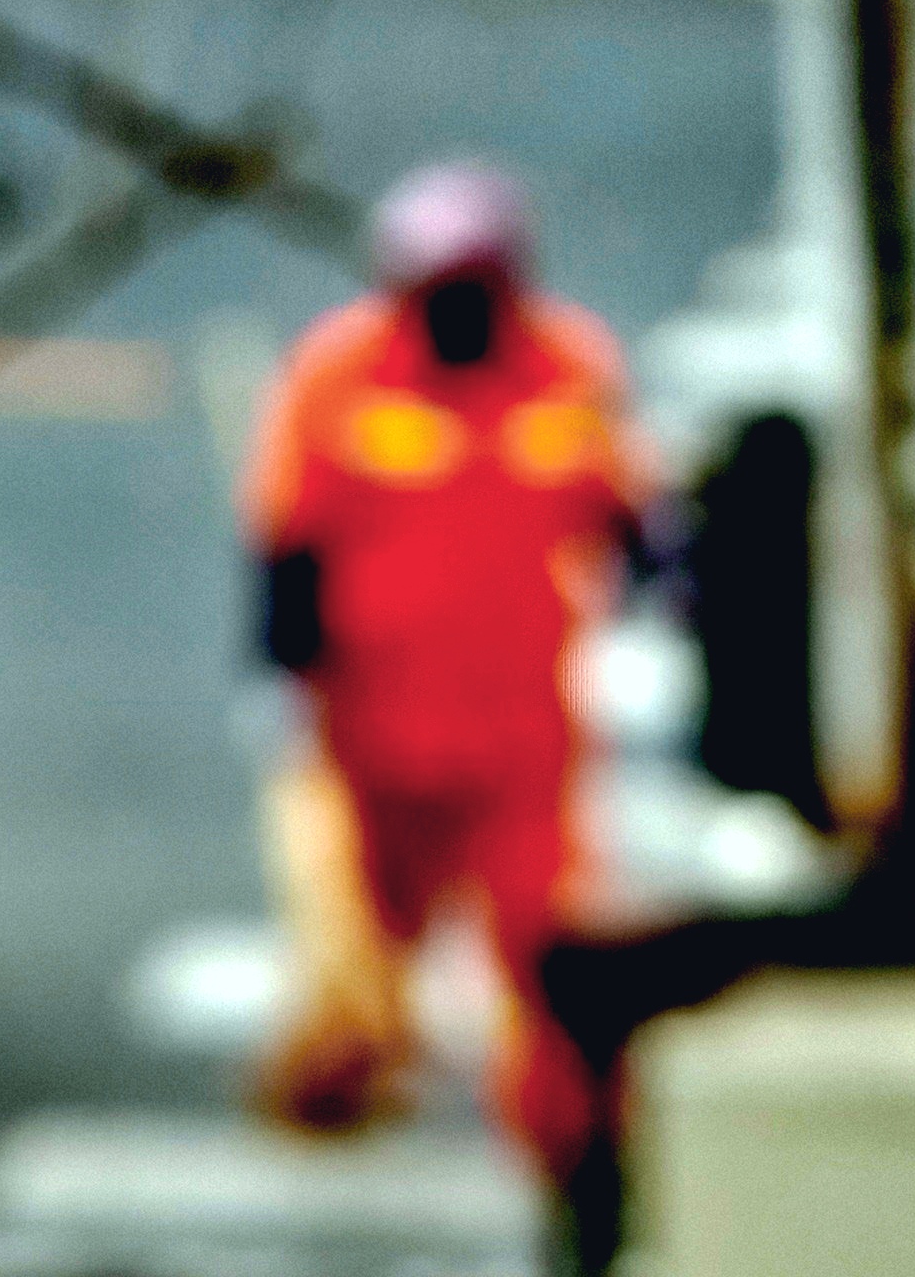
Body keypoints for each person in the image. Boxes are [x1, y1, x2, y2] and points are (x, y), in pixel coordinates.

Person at [242, 160, 647, 1194]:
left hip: (520, 748)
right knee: (358, 967)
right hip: (376, 744)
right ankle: (337, 1099)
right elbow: (287, 548)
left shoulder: (566, 370)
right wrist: (284, 685)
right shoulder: (341, 376)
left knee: (550, 962)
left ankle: (575, 1156)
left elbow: (629, 512)